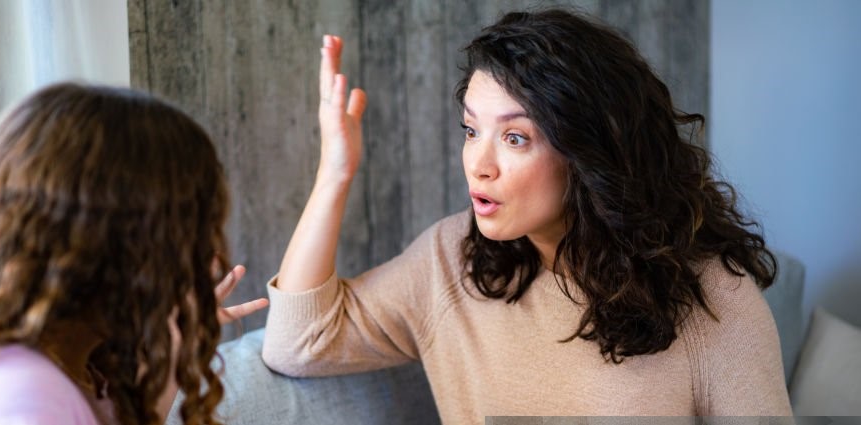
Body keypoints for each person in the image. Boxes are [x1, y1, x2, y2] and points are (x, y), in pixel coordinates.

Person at [262, 9, 793, 422]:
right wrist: (335, 172)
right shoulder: (450, 261)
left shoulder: (712, 297)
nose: (479, 165)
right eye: (472, 130)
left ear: (588, 155)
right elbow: (297, 343)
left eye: (515, 138)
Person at [0, 83, 268, 425]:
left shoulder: (76, 363)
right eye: (194, 230)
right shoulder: (22, 397)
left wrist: (170, 344)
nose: (211, 258)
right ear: (124, 241)